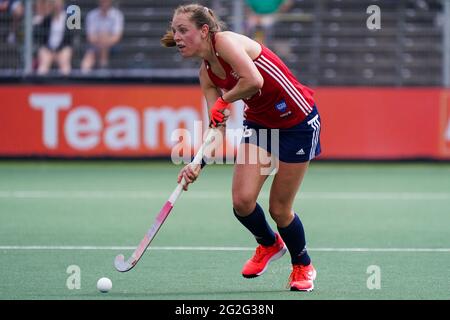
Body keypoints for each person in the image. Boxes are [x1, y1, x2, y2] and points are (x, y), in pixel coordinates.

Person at [162, 4, 321, 292]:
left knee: (279, 209)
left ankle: (303, 265)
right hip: (261, 124)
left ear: (205, 30)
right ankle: (269, 245)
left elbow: (254, 80)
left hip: (297, 121)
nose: (177, 37)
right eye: (174, 31)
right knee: (242, 201)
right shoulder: (207, 75)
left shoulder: (225, 42)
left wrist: (225, 101)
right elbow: (217, 125)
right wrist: (197, 162)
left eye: (183, 30)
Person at [81, 0, 124, 73]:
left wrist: (105, 40)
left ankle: (103, 72)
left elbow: (117, 37)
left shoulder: (117, 15)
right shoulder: (91, 15)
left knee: (104, 46)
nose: (104, 2)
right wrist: (101, 40)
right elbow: (90, 37)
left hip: (113, 45)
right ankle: (83, 77)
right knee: (89, 57)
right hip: (95, 45)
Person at [34, 0, 73, 75]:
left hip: (63, 49)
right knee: (43, 64)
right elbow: (40, 36)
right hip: (48, 49)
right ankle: (39, 85)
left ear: (62, 4)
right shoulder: (47, 19)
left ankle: (66, 85)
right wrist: (41, 18)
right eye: (54, 3)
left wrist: (59, 50)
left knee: (65, 64)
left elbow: (70, 38)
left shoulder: (70, 18)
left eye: (58, 3)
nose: (56, 5)